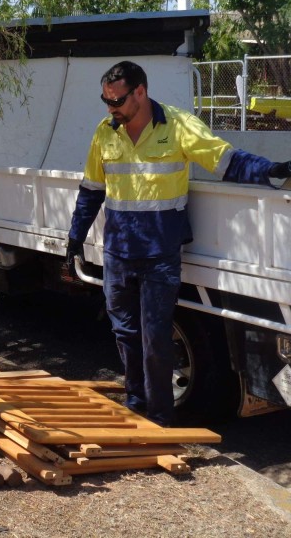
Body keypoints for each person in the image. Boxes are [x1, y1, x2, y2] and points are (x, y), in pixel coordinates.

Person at [66, 60, 291, 427]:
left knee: (156, 338)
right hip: (118, 253)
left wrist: (271, 171)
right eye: (106, 101)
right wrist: (76, 237)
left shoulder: (178, 126)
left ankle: (160, 416)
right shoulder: (105, 133)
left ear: (141, 91)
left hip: (160, 255)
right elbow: (92, 191)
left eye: (118, 100)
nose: (112, 109)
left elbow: (226, 161)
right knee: (125, 332)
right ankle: (136, 402)